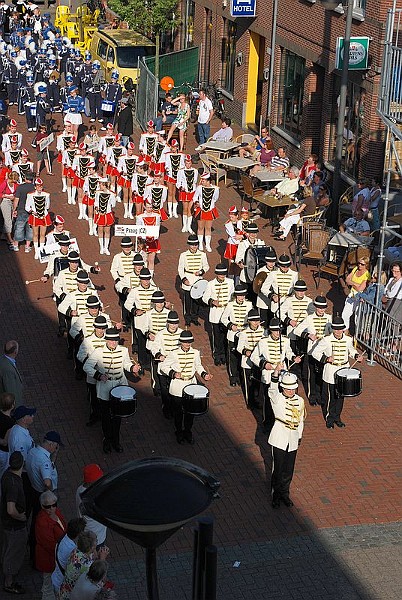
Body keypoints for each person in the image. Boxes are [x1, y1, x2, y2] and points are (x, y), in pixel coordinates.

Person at [83, 328, 141, 454]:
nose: (113, 343)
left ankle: (116, 441)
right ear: (106, 340)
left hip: (120, 386)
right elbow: (86, 366)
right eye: (111, 340)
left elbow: (126, 364)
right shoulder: (98, 352)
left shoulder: (124, 350)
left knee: (117, 416)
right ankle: (107, 440)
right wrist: (98, 375)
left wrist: (132, 367)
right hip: (105, 386)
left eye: (115, 340)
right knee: (105, 416)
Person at [161, 330, 212, 444]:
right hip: (178, 386)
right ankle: (179, 432)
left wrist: (204, 374)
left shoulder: (195, 353)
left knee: (190, 411)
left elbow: (198, 366)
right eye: (185, 342)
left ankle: (188, 431)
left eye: (189, 342)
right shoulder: (174, 353)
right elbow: (164, 367)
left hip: (191, 385)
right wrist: (173, 374)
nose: (187, 344)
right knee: (178, 412)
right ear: (181, 342)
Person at [312, 317, 364, 428]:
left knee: (341, 396)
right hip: (331, 371)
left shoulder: (348, 339)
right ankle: (329, 418)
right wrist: (326, 359)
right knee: (330, 397)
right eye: (336, 329)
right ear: (333, 329)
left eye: (340, 329)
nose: (338, 332)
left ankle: (337, 417)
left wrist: (356, 356)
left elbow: (351, 350)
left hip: (344, 370)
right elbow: (315, 353)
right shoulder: (326, 340)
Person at [268, 370, 305, 509]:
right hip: (279, 438)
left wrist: (299, 436)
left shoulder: (300, 400)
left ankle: (285, 494)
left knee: (288, 470)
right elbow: (272, 389)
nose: (291, 391)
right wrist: (276, 374)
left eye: (293, 388)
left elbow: (300, 420)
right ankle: (275, 496)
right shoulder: (277, 399)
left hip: (293, 438)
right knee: (277, 470)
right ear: (283, 387)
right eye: (288, 389)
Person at [294, 295, 333, 406]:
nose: (321, 310)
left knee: (321, 374)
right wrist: (308, 335)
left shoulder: (329, 318)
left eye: (323, 308)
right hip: (312, 350)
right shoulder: (309, 318)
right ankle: (312, 396)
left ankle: (320, 396)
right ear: (316, 307)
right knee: (311, 375)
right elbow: (297, 330)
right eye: (319, 308)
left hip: (324, 351)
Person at [1, 451, 27, 595]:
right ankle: (9, 583)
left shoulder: (7, 474)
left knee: (7, 548)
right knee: (13, 551)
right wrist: (21, 518)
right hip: (14, 527)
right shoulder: (14, 484)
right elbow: (11, 510)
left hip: (6, 524)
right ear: (22, 464)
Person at [148, 310, 183, 418]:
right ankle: (166, 407)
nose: (173, 326)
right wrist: (159, 356)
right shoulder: (160, 334)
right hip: (163, 366)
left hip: (176, 366)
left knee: (174, 388)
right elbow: (154, 348)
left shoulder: (181, 333)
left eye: (175, 323)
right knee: (164, 389)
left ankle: (174, 407)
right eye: (171, 323)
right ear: (167, 323)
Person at [35, 490, 67, 600]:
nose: (52, 508)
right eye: (48, 506)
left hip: (56, 555)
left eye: (54, 505)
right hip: (49, 558)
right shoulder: (42, 521)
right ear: (42, 506)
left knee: (53, 581)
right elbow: (48, 544)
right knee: (48, 582)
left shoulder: (56, 512)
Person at [59, 531, 109, 600]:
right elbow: (101, 577)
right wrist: (102, 559)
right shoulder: (88, 566)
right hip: (72, 596)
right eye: (96, 541)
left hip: (64, 591)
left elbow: (87, 557)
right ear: (91, 548)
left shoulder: (75, 551)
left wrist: (94, 552)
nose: (97, 542)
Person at [202, 263, 234, 365]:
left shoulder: (230, 282)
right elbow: (205, 297)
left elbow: (232, 295)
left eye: (224, 274)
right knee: (216, 337)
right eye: (220, 274)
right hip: (216, 313)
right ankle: (217, 355)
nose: (222, 276)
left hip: (226, 312)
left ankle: (224, 356)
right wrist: (212, 301)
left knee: (225, 336)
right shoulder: (210, 284)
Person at [178, 234, 210, 327]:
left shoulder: (202, 254)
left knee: (196, 302)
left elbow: (206, 266)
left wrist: (201, 271)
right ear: (189, 245)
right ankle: (187, 319)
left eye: (195, 244)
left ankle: (194, 318)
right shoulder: (183, 255)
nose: (194, 247)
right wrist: (184, 279)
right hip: (188, 279)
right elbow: (180, 269)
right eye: (192, 245)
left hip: (198, 280)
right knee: (187, 302)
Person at [236, 309, 265, 408]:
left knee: (257, 382)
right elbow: (239, 347)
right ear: (249, 321)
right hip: (247, 361)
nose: (256, 323)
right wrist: (246, 352)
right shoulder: (244, 332)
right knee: (248, 384)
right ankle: (250, 402)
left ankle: (256, 399)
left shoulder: (263, 331)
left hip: (258, 360)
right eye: (254, 321)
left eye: (257, 320)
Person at [51, 518, 87, 596]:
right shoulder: (72, 549)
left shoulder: (63, 538)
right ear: (79, 534)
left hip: (56, 578)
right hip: (61, 584)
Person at [76, 464, 107, 548]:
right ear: (91, 482)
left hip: (87, 531)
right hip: (96, 537)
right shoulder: (91, 497)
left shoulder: (80, 489)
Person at [341, 256, 371, 330]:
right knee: (345, 314)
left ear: (366, 265)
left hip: (359, 297)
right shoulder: (355, 269)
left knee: (358, 317)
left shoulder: (367, 275)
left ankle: (358, 334)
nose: (359, 265)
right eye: (359, 263)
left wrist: (352, 284)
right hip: (351, 295)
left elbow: (360, 289)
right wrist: (356, 284)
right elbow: (347, 280)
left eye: (362, 264)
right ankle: (345, 330)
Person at [193, 172, 219, 252]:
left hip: (210, 210)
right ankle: (200, 243)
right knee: (200, 227)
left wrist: (210, 205)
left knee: (208, 228)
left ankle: (207, 244)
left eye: (203, 180)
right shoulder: (199, 188)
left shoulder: (216, 189)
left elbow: (215, 198)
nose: (202, 181)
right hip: (201, 210)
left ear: (208, 181)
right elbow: (195, 197)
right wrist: (197, 202)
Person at [0, 340, 23, 405]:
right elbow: (11, 392)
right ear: (15, 352)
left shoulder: (2, 359)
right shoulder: (8, 370)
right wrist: (17, 408)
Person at [0, 170, 19, 250]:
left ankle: (5, 235)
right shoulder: (5, 183)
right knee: (8, 220)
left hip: (12, 201)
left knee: (11, 219)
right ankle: (10, 239)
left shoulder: (15, 185)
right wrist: (7, 196)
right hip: (5, 202)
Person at [0, 392, 15, 478]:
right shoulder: (10, 423)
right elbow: (5, 442)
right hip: (3, 452)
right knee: (3, 474)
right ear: (12, 406)